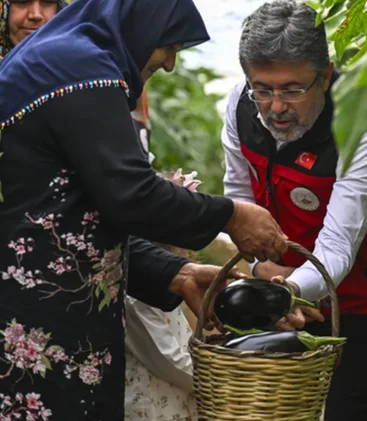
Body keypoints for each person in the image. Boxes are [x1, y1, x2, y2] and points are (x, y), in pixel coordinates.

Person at [0, 0, 288, 420]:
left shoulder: (66, 60)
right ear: (141, 24)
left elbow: (67, 214)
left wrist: (178, 273)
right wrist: (231, 215)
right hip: (8, 338)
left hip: (27, 325)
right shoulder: (79, 68)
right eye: (168, 46)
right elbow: (132, 194)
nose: (172, 64)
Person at [221, 1, 367, 420]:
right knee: (276, 409)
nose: (276, 106)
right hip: (285, 284)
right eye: (263, 88)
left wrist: (280, 292)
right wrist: (264, 271)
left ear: (326, 76)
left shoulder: (364, 128)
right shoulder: (240, 106)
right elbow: (239, 203)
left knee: (350, 408)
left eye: (293, 90)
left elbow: (337, 247)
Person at [124, 89, 201, 421]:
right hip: (151, 409)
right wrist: (223, 373)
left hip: (172, 403)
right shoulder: (139, 293)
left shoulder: (168, 280)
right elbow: (167, 360)